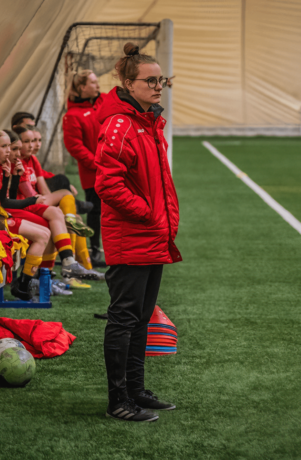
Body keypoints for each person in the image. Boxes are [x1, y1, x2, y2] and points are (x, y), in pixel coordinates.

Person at [95, 43, 181, 422]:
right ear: (129, 84)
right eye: (150, 81)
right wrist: (146, 213)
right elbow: (107, 184)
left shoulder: (148, 123)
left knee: (142, 318)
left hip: (151, 235)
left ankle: (136, 390)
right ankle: (118, 401)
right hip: (131, 237)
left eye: (161, 80)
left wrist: (160, 220)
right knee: (124, 319)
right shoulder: (120, 125)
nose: (158, 87)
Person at [0, 130, 101, 300]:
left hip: (0, 214)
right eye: (7, 147)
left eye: (11, 147)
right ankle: (34, 280)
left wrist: (12, 177)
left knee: (53, 220)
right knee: (48, 227)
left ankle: (55, 270)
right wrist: (30, 200)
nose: (12, 152)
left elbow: (2, 200)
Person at [13, 125, 95, 269]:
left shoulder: (32, 160)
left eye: (37, 140)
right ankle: (62, 269)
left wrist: (49, 201)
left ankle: (81, 268)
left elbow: (43, 189)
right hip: (26, 206)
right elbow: (29, 196)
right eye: (27, 141)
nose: (33, 145)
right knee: (64, 198)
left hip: (35, 201)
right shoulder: (16, 164)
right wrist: (48, 203)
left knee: (72, 216)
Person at [63, 69, 105, 266]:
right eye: (93, 82)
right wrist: (97, 164)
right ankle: (95, 250)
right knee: (96, 211)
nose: (98, 85)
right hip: (94, 173)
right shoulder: (72, 115)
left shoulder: (104, 101)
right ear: (82, 87)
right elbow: (74, 146)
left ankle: (115, 249)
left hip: (116, 169)